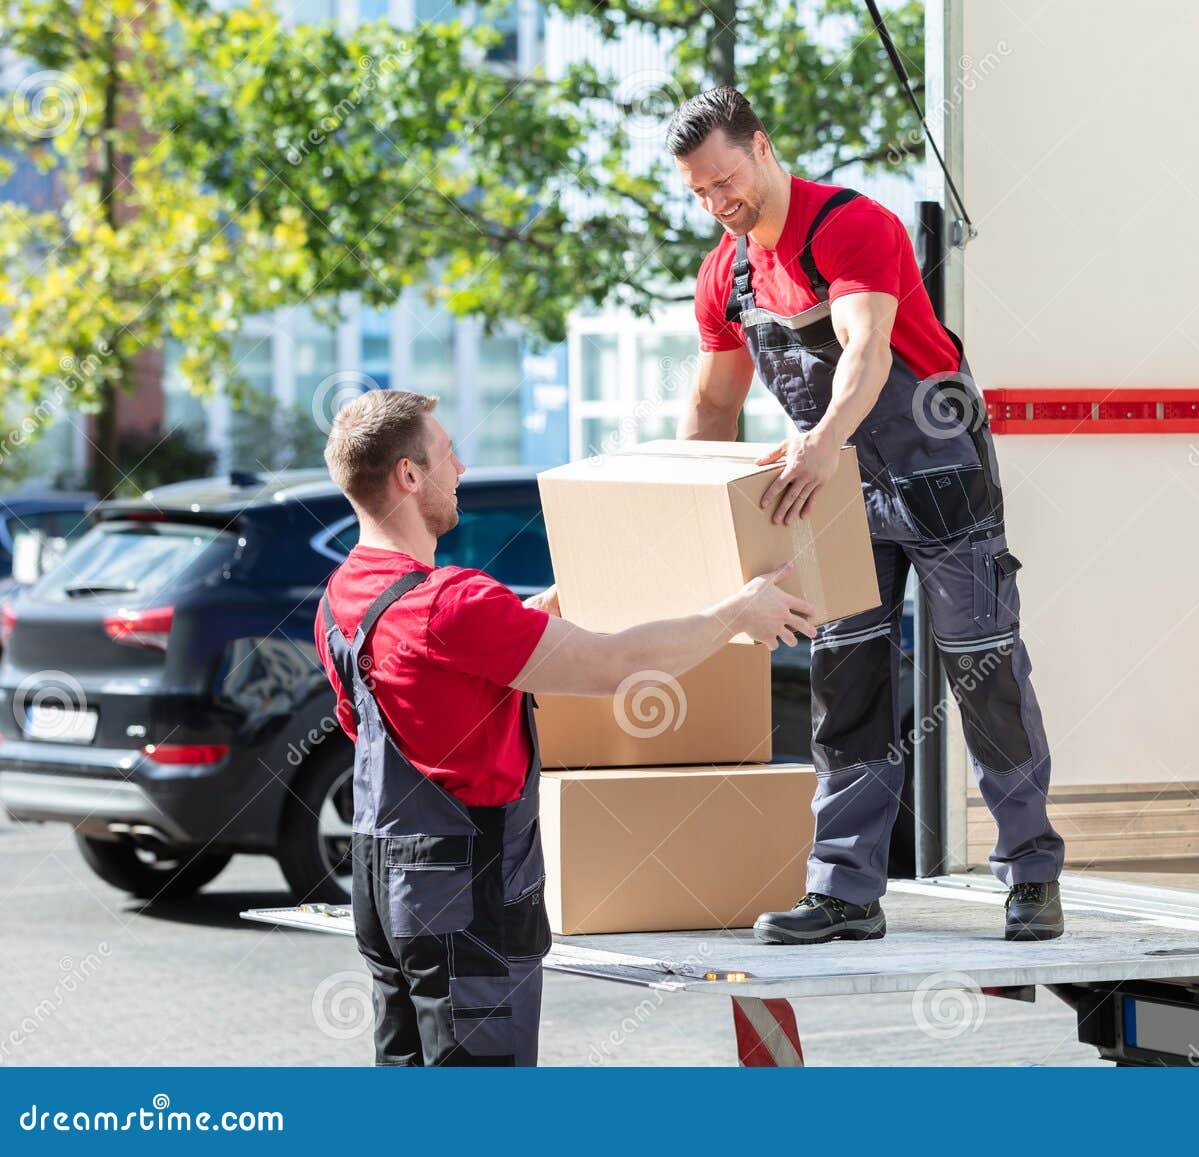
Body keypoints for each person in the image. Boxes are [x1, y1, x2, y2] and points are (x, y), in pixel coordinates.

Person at [667, 87, 1066, 945]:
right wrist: (694, 513)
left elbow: (866, 348)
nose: (717, 203)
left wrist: (819, 441)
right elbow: (711, 405)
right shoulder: (724, 274)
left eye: (725, 180)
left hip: (936, 466)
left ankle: (1031, 871)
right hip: (834, 487)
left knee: (982, 671)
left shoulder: (850, 226)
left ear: (762, 147)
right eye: (699, 192)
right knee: (845, 683)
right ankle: (845, 889)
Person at [313, 389, 815, 1065]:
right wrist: (738, 616)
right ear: (408, 475)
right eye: (446, 452)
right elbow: (618, 667)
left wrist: (530, 617)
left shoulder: (341, 598)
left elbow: (405, 699)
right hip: (466, 898)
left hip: (383, 885)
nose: (459, 468)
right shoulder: (454, 603)